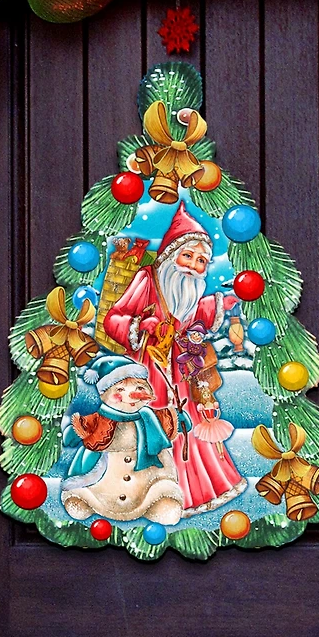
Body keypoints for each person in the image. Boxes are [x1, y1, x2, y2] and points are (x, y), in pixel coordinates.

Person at [104, 201, 246, 516]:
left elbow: (194, 315)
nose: (193, 266)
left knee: (187, 428)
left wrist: (225, 302)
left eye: (201, 261)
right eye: (188, 256)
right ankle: (147, 497)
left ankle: (196, 490)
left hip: (181, 375)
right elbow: (114, 319)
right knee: (151, 430)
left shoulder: (189, 291)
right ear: (171, 255)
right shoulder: (147, 279)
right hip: (149, 372)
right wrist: (140, 326)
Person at [60, 355, 186, 525]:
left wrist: (181, 418)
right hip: (103, 488)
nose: (131, 395)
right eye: (120, 389)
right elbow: (75, 434)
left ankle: (160, 505)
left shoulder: (151, 419)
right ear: (105, 394)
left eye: (139, 387)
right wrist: (74, 433)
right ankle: (84, 501)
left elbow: (173, 421)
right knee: (87, 497)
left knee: (161, 493)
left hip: (146, 487)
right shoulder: (99, 420)